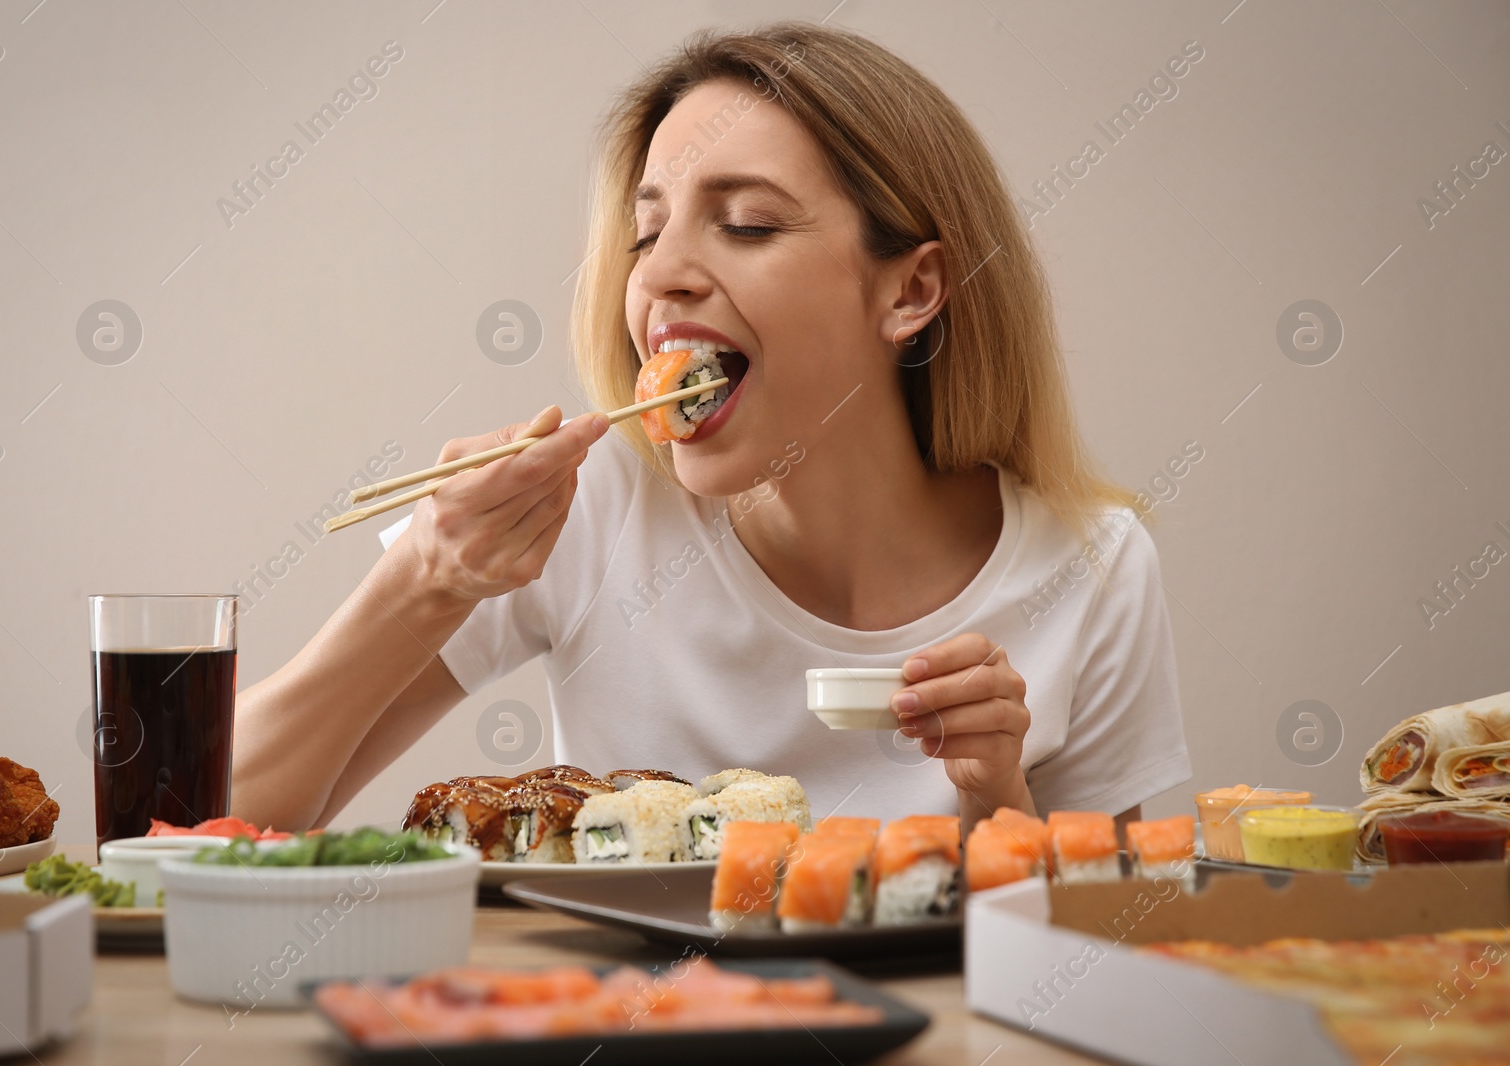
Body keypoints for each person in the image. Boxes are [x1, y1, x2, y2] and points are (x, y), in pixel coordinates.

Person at [232, 22, 1190, 834]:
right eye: (649, 234)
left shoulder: (1092, 567)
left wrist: (998, 799)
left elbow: (1107, 963)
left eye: (746, 224)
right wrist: (426, 580)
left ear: (912, 290)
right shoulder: (586, 510)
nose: (659, 276)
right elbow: (203, 822)